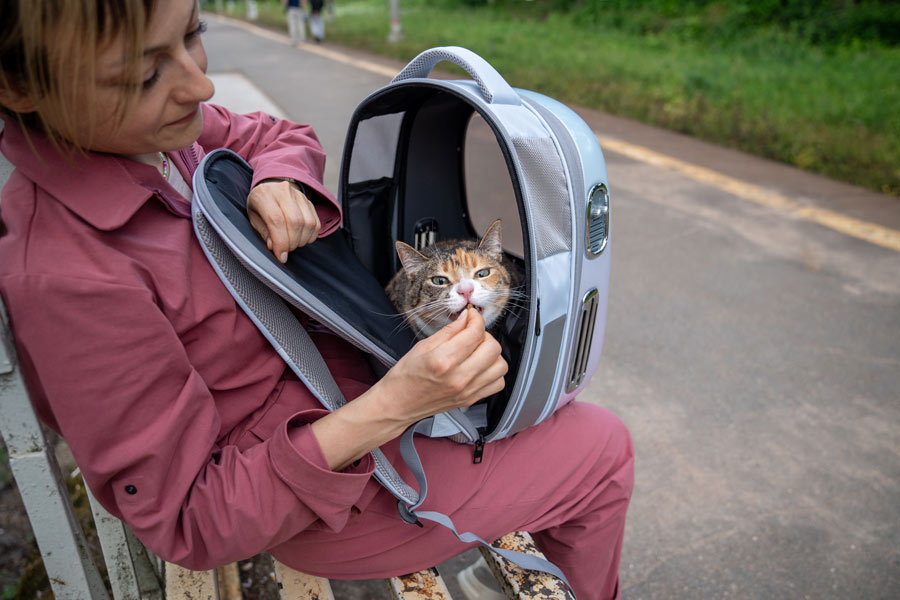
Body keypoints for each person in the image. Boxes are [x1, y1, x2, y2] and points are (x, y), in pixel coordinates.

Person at [0, 1, 634, 598]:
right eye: (141, 75)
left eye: (194, 35)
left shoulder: (156, 139)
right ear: (15, 87)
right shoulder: (68, 279)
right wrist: (395, 404)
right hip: (340, 499)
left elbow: (271, 133)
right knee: (604, 451)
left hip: (369, 391)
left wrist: (279, 175)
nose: (200, 87)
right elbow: (194, 521)